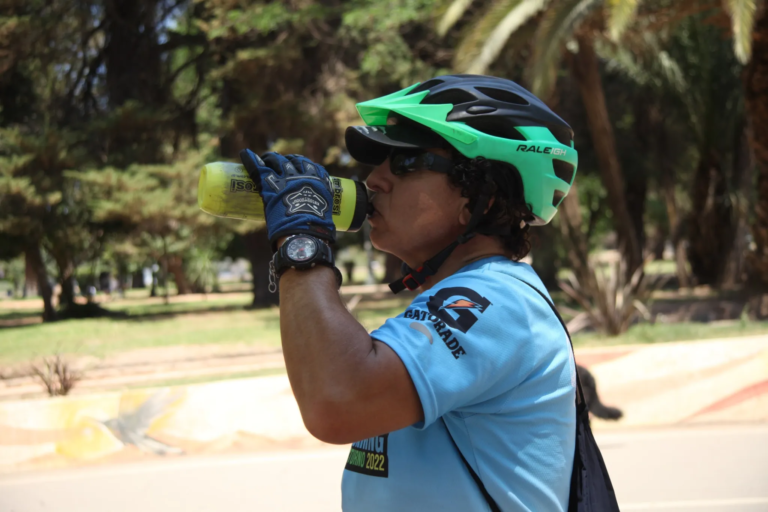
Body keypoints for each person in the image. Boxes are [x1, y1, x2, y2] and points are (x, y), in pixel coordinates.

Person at [240, 74, 579, 512]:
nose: (374, 179)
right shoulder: (464, 295)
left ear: (483, 199)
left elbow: (338, 400)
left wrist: (302, 244)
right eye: (379, 161)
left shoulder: (496, 300)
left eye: (406, 162)